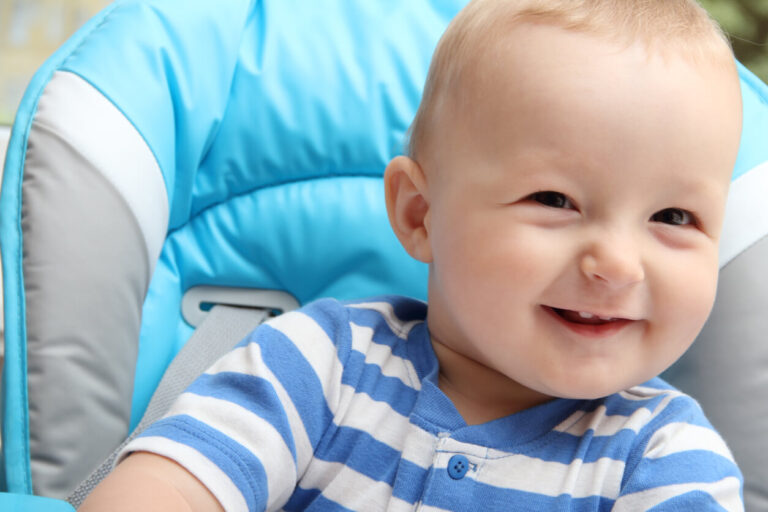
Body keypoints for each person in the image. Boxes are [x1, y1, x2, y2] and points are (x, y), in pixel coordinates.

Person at [79, 0, 745, 510]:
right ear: (419, 214)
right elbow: (169, 487)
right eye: (555, 199)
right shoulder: (319, 364)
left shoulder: (666, 458)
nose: (618, 265)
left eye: (673, 216)